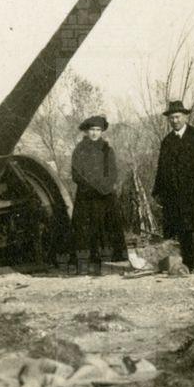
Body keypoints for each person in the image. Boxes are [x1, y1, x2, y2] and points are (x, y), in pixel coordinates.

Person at [152, 100, 194, 274]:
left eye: (177, 117)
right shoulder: (167, 141)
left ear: (185, 117)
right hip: (175, 194)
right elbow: (162, 168)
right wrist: (158, 191)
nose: (175, 121)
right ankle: (189, 264)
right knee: (181, 228)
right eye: (171, 118)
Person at [70, 115, 128, 276]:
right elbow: (76, 175)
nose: (95, 133)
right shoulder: (79, 150)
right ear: (86, 131)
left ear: (102, 132)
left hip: (105, 195)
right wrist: (92, 187)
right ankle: (87, 264)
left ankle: (112, 263)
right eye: (92, 130)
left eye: (98, 130)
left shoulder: (107, 150)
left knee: (108, 226)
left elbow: (113, 172)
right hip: (87, 196)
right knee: (86, 229)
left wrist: (105, 187)